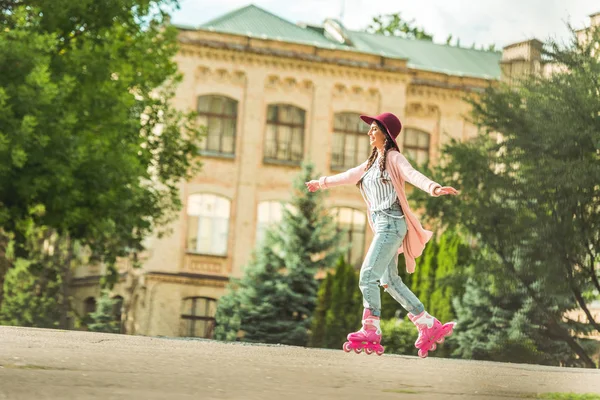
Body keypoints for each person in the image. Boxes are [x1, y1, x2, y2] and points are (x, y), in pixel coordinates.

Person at [305, 112, 458, 357]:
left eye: (374, 128)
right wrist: (320, 182)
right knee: (390, 281)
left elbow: (412, 174)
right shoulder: (370, 164)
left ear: (386, 133)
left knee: (367, 275)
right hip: (384, 226)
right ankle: (427, 323)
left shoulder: (394, 158)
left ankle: (371, 328)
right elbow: (346, 176)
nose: (369, 132)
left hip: (391, 224)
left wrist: (434, 188)